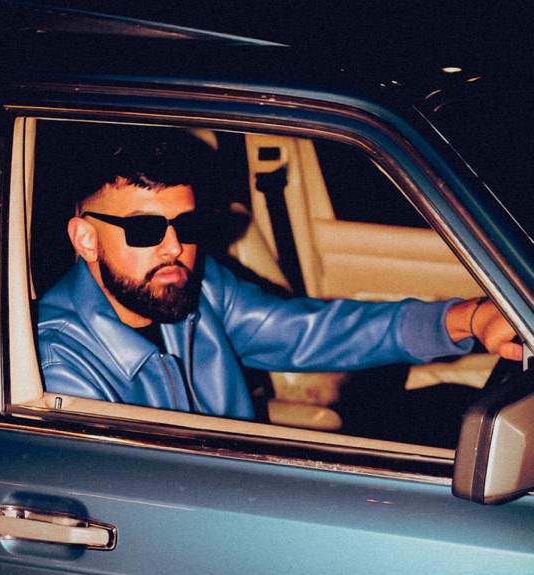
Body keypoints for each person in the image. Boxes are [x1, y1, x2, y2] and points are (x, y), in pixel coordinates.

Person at [37, 129, 522, 422]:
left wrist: (468, 318)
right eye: (145, 229)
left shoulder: (199, 289)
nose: (175, 247)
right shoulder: (59, 369)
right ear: (85, 239)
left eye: (187, 225)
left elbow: (314, 332)